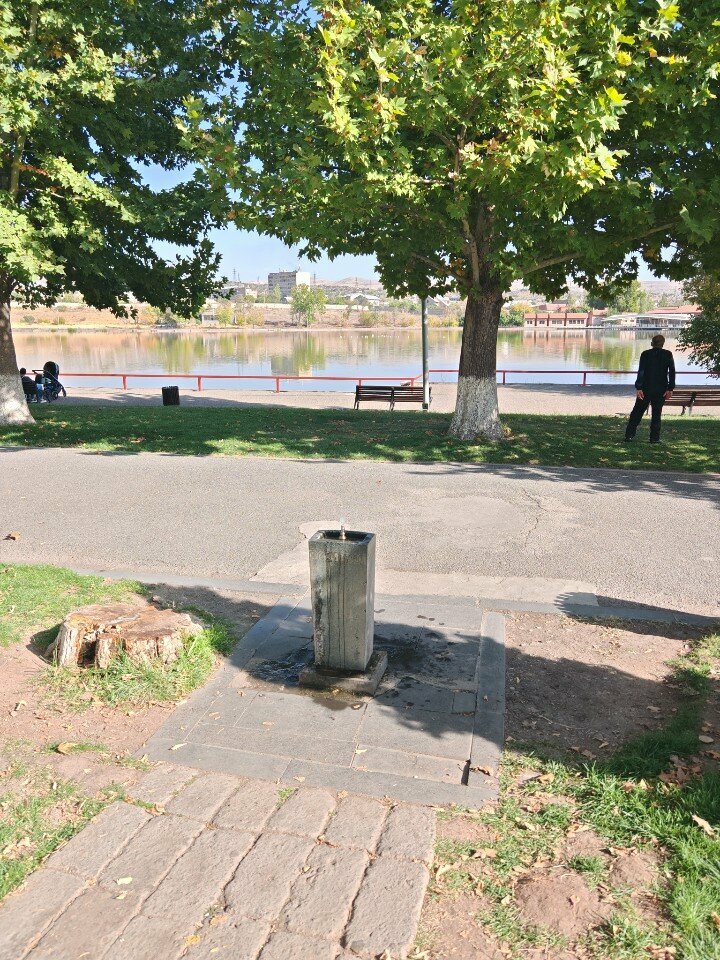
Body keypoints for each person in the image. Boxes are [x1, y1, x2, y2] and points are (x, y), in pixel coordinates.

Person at [624, 334, 675, 444]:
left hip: (646, 388)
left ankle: (629, 435)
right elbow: (672, 372)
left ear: (652, 343)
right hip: (661, 389)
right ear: (663, 344)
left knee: (637, 412)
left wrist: (639, 387)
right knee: (656, 414)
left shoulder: (645, 354)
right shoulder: (668, 354)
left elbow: (641, 371)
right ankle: (654, 438)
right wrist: (670, 388)